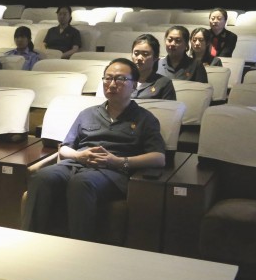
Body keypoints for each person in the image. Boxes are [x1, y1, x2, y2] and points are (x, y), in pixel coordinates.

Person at [22, 58, 166, 240]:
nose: (112, 84)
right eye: (108, 78)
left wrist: (118, 161)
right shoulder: (88, 113)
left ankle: (80, 247)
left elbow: (159, 157)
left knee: (81, 183)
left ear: (134, 85)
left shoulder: (145, 118)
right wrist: (79, 155)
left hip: (112, 172)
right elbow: (64, 149)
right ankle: (30, 240)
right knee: (42, 177)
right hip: (75, 164)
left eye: (120, 79)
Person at [129, 34, 176, 100]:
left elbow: (169, 106)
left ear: (155, 57)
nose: (139, 58)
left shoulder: (164, 83)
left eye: (145, 54)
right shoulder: (124, 79)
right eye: (136, 53)